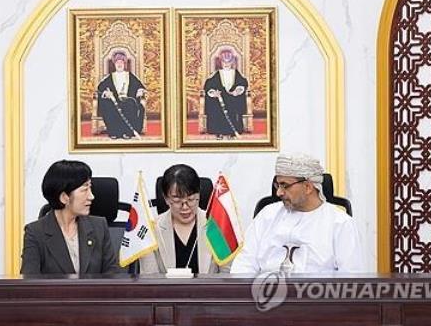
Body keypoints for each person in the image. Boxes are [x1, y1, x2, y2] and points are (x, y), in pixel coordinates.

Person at [231, 153, 365, 274]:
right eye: (278, 185)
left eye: (285, 185)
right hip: (264, 296)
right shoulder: (267, 215)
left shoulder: (340, 223)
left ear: (308, 187)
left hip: (316, 298)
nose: (279, 193)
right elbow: (243, 264)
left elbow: (351, 280)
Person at [21, 160, 120, 275]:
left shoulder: (99, 227)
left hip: (95, 293)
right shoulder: (35, 232)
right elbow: (29, 283)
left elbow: (112, 277)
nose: (91, 196)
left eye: (90, 188)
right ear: (64, 197)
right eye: (84, 190)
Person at [140, 164, 229, 274]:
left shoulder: (215, 226)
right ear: (166, 199)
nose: (185, 207)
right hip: (165, 291)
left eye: (191, 199)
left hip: (209, 291)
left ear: (199, 195)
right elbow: (149, 282)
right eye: (177, 201)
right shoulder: (151, 230)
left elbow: (227, 277)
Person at [97, 50, 146, 139]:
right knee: (107, 105)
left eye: (121, 62)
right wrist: (106, 93)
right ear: (114, 64)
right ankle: (114, 132)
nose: (119, 64)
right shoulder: (110, 76)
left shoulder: (129, 75)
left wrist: (140, 90)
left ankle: (128, 132)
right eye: (117, 62)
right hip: (114, 102)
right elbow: (100, 88)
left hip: (127, 100)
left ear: (124, 64)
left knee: (130, 105)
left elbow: (139, 86)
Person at [203, 47, 249, 139]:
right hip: (220, 99)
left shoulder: (236, 73)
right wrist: (213, 93)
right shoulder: (216, 74)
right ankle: (219, 131)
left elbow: (242, 83)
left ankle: (233, 132)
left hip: (233, 98)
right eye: (224, 62)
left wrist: (238, 90)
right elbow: (209, 85)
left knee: (234, 107)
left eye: (228, 62)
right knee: (216, 107)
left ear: (232, 62)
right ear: (221, 62)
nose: (226, 64)